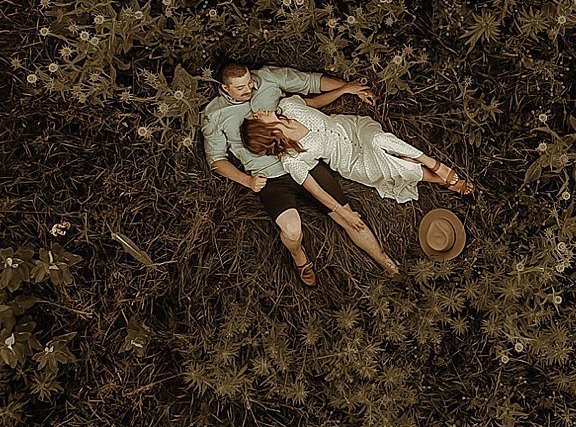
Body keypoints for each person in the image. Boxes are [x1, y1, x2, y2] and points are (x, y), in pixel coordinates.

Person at [200, 61, 391, 288]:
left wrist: (348, 87)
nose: (249, 90)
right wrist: (247, 181)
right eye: (240, 88)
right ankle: (299, 257)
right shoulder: (215, 114)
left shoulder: (268, 78)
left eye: (250, 83)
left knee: (348, 216)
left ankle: (387, 263)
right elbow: (216, 160)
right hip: (271, 178)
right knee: (291, 230)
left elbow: (311, 81)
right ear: (224, 88)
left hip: (303, 159)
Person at [240, 95, 476, 279]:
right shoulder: (292, 158)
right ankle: (441, 179)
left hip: (355, 129)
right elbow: (315, 190)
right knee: (395, 165)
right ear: (263, 131)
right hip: (353, 163)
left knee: (380, 140)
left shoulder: (288, 105)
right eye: (256, 117)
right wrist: (343, 212)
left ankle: (436, 165)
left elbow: (314, 102)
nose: (259, 111)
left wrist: (345, 89)